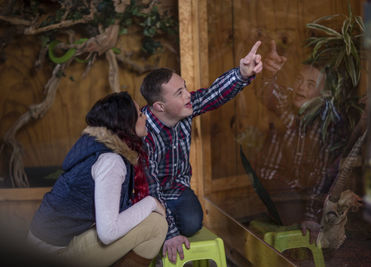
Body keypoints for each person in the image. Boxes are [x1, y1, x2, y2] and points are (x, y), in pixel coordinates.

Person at [140, 41, 263, 263]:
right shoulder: (142, 132)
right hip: (144, 195)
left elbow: (213, 94)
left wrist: (242, 74)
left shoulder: (184, 110)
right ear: (160, 106)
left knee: (192, 222)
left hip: (176, 190)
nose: (188, 95)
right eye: (180, 92)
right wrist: (170, 235)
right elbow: (150, 187)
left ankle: (163, 227)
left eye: (185, 87)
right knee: (156, 230)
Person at [27, 92, 167, 267]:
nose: (145, 117)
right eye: (139, 114)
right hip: (53, 253)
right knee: (156, 224)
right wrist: (151, 202)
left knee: (141, 219)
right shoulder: (111, 161)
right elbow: (108, 232)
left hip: (50, 243)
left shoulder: (98, 145)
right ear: (125, 123)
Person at [255, 40, 342, 244]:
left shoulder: (328, 123)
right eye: (299, 80)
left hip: (303, 188)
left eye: (310, 84)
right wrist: (268, 75)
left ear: (324, 94)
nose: (301, 87)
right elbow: (268, 94)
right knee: (295, 221)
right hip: (275, 180)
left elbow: (324, 173)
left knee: (320, 221)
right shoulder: (288, 101)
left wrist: (311, 214)